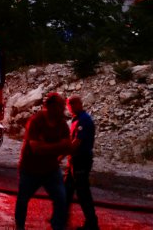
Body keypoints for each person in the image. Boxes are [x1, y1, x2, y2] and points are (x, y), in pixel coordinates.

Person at [15, 93, 71, 230]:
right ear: (50, 107)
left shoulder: (62, 123)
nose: (64, 109)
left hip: (51, 170)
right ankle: (19, 227)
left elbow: (67, 146)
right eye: (61, 106)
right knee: (23, 200)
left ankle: (57, 227)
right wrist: (57, 146)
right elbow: (36, 149)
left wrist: (47, 147)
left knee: (61, 199)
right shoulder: (36, 121)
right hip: (30, 169)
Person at [65, 95, 99, 230]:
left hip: (81, 160)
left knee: (83, 192)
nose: (71, 106)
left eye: (74, 103)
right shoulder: (76, 119)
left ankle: (92, 223)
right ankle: (61, 218)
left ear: (80, 104)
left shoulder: (84, 120)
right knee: (67, 190)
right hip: (74, 160)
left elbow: (76, 143)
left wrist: (60, 152)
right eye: (69, 104)